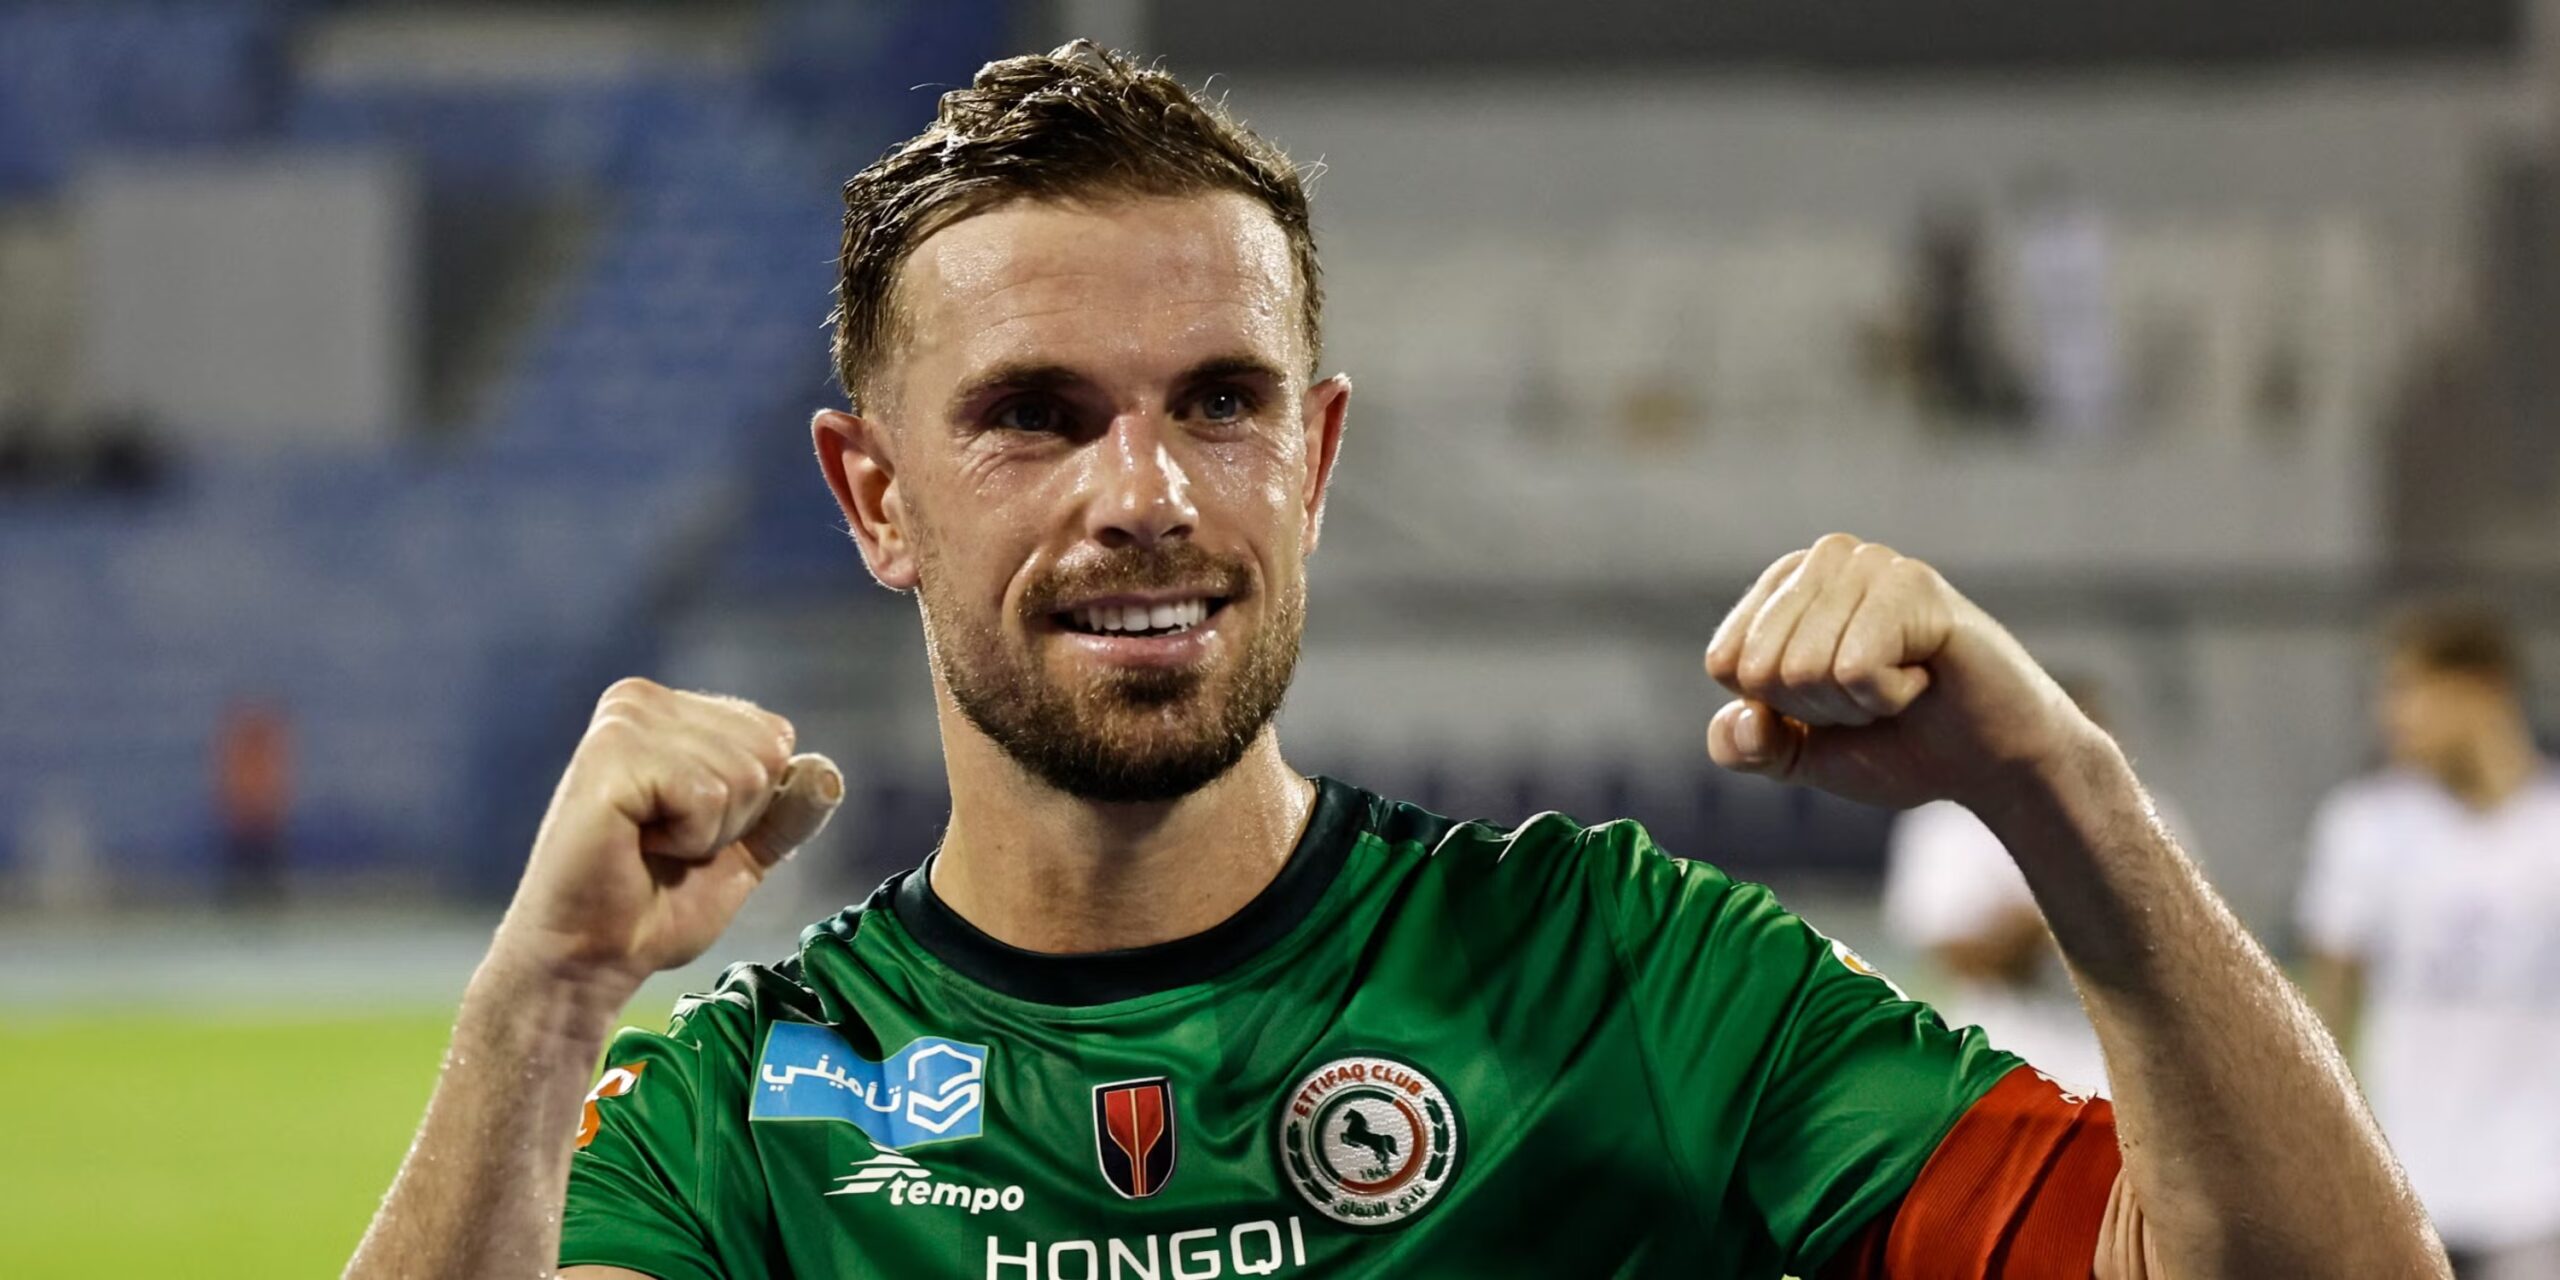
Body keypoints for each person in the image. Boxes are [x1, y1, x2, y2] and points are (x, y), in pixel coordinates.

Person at [346, 44, 2444, 1280]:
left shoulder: (1623, 977)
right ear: (873, 495)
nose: (1146, 492)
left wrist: (2061, 794)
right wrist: (537, 1009)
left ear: (1317, 456)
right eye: (1037, 415)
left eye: (1221, 401)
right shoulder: (737, 1121)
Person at [2300, 606, 2560, 1280]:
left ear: (2483, 688)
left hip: (2537, 1192)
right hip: (2405, 1185)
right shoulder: (2365, 825)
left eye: (2410, 689)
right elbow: (2328, 1011)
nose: (2392, 714)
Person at [1880, 677, 2170, 1097]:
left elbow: (2175, 949)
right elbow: (1960, 957)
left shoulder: (2148, 817)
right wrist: (2061, 912)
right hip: (2003, 1062)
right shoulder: (1953, 822)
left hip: (2127, 1071)